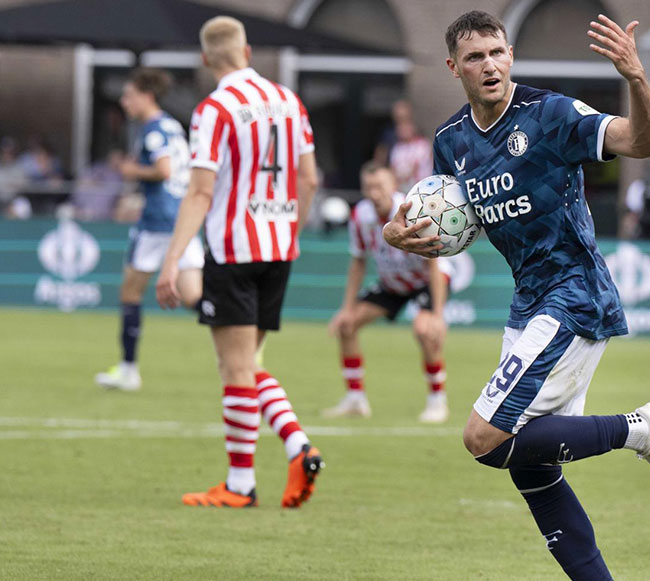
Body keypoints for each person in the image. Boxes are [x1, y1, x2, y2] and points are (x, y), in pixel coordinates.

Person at [383, 11, 650, 580]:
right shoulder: (451, 142)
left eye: (497, 52)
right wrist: (397, 235)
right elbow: (448, 225)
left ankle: (640, 427)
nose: (490, 65)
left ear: (512, 55)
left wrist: (636, 79)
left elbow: (642, 143)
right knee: (532, 468)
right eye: (475, 57)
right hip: (529, 303)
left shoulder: (551, 115)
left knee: (484, 438)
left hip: (574, 293)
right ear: (454, 68)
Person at [155, 16, 323, 509]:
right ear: (247, 50)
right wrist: (290, 229)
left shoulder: (214, 109)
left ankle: (241, 484)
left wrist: (171, 262)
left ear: (207, 59)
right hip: (279, 247)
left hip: (233, 250)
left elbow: (201, 189)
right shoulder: (290, 102)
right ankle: (296, 447)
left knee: (235, 370)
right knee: (249, 365)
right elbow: (309, 179)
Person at [94, 69, 204, 392]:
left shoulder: (154, 129)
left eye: (129, 95)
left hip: (157, 221)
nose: (124, 101)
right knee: (194, 298)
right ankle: (243, 335)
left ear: (147, 96)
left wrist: (131, 169)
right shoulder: (172, 125)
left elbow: (164, 169)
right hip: (182, 218)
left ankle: (128, 370)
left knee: (130, 293)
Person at [322, 163, 450, 423]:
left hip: (425, 280)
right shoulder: (361, 216)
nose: (374, 192)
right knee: (347, 326)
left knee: (425, 330)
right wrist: (346, 308)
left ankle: (438, 401)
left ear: (393, 187)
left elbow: (433, 262)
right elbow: (358, 261)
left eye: (379, 186)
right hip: (392, 283)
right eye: (368, 187)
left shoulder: (412, 211)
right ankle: (356, 399)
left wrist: (438, 314)